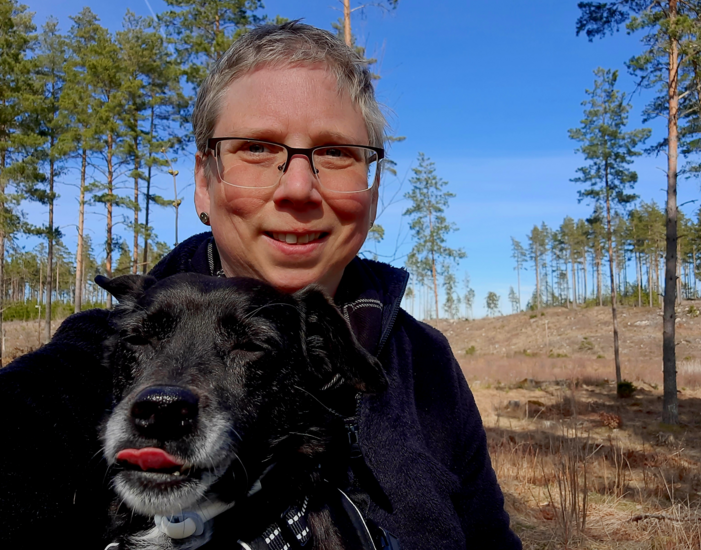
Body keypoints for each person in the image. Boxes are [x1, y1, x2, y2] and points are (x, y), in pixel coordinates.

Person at [0, 22, 521, 549]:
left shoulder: (424, 360)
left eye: (336, 152)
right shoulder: (107, 347)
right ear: (204, 182)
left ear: (371, 189)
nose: (298, 188)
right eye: (255, 147)